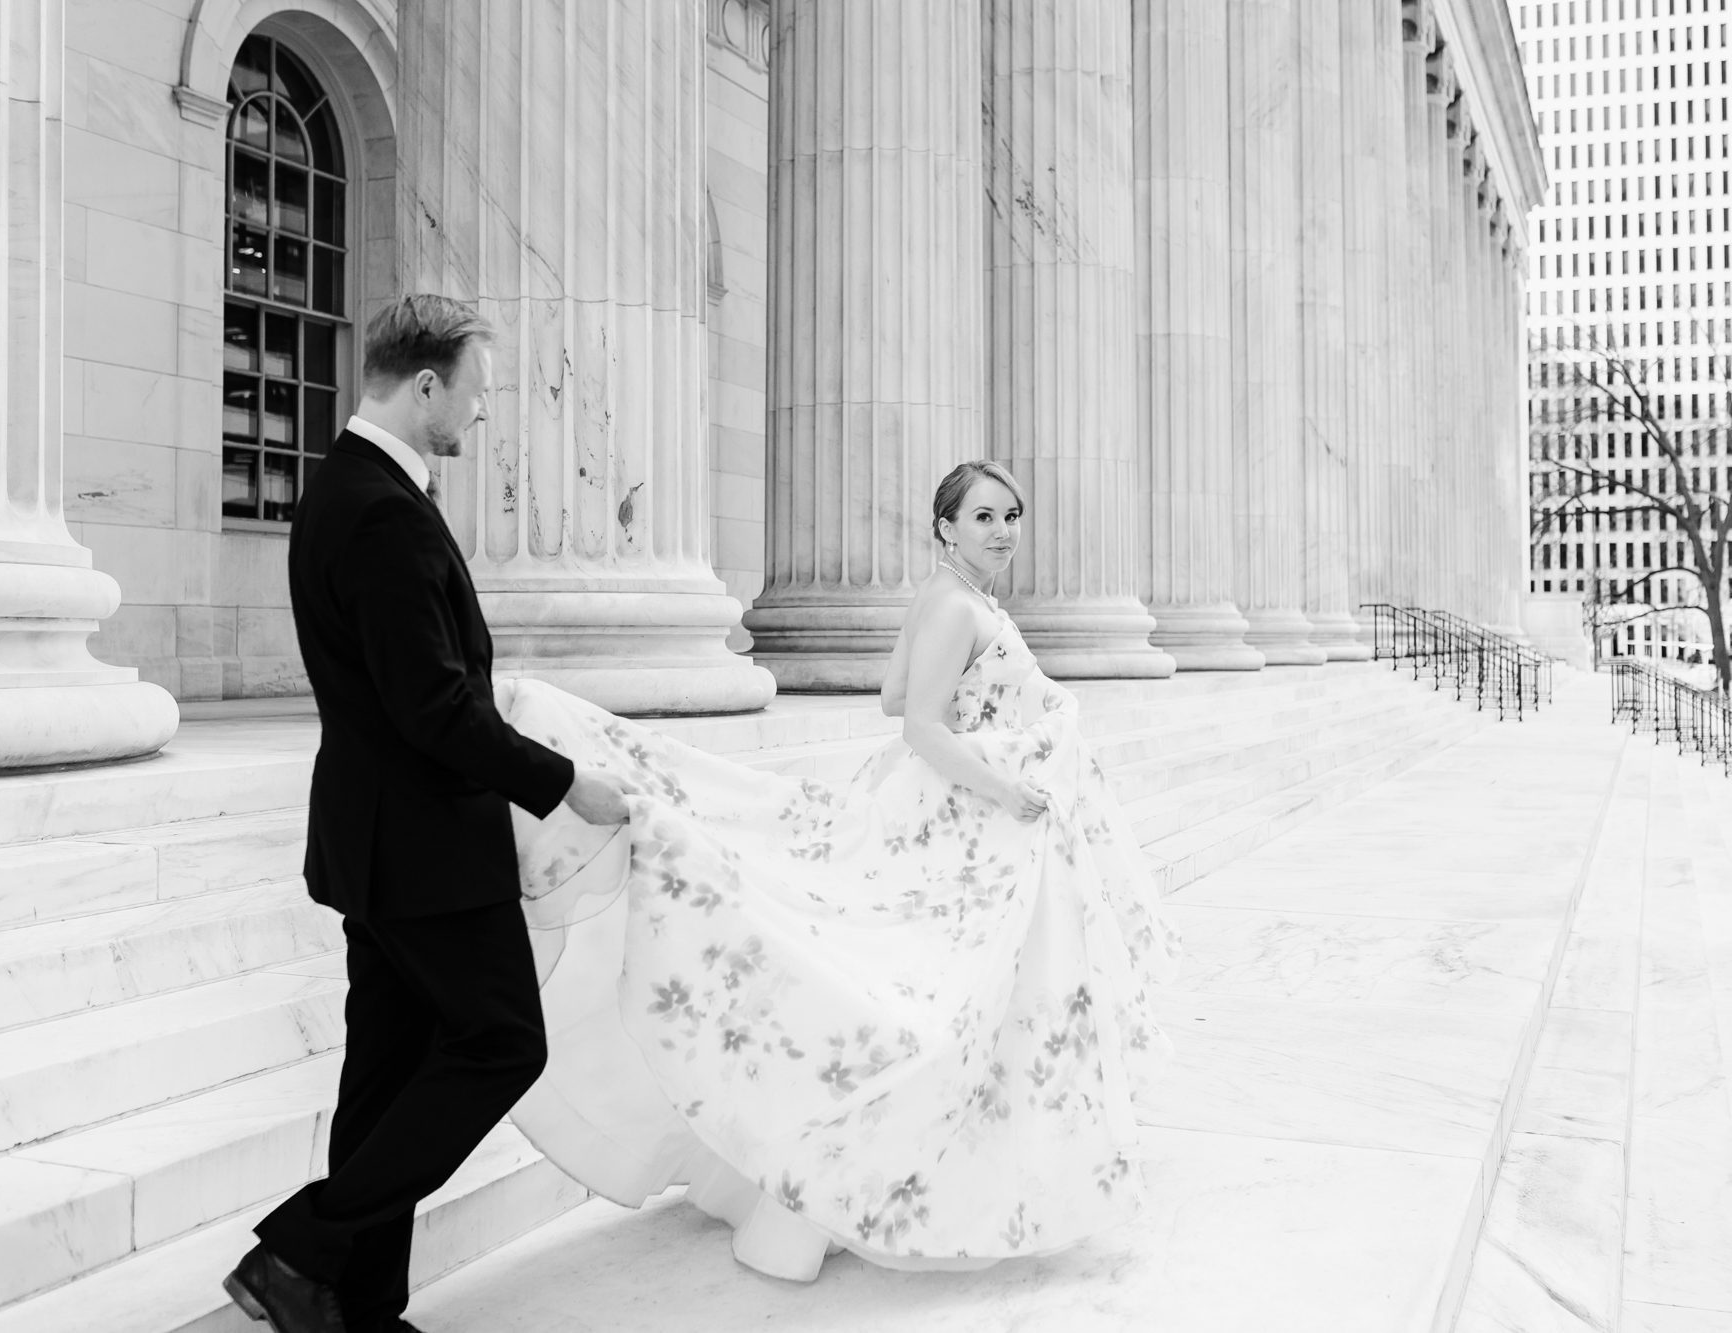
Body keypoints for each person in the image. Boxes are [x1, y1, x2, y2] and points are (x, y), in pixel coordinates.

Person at [498, 460, 1179, 1281]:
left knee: (960, 1002)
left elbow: (895, 696)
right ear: (945, 528)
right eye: (985, 517)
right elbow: (922, 726)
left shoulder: (951, 600)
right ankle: (842, 1186)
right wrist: (1008, 781)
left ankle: (822, 1190)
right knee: (933, 1006)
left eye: (1012, 515)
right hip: (978, 819)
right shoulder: (957, 605)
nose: (1003, 530)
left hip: (963, 818)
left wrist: (988, 723)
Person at [223, 296, 630, 1333]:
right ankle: (304, 1246)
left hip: (386, 841)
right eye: (475, 392)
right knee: (501, 1043)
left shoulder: (351, 490)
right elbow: (433, 705)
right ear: (426, 386)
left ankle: (356, 1304)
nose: (481, 414)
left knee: (388, 1069)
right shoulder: (378, 510)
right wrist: (559, 780)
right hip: (422, 848)